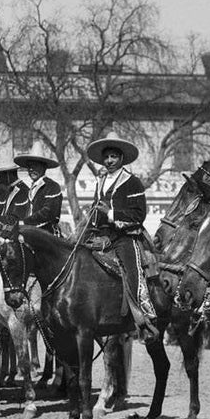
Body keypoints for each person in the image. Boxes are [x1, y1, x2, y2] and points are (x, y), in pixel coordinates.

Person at [85, 132, 157, 337]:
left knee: (132, 271)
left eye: (113, 157)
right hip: (101, 234)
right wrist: (89, 225)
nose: (109, 161)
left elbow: (139, 214)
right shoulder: (100, 182)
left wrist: (110, 213)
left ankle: (144, 317)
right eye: (106, 157)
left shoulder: (132, 182)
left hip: (125, 236)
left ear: (121, 158)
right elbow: (94, 208)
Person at [15, 146, 65, 234]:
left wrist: (26, 222)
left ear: (43, 167)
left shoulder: (52, 186)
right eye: (29, 167)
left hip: (47, 233)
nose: (31, 170)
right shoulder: (31, 188)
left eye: (35, 166)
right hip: (28, 230)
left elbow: (48, 212)